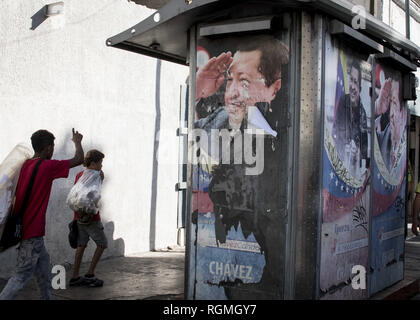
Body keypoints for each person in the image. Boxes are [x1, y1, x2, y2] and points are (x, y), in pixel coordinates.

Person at [194, 35, 289, 298]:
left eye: (245, 81)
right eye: (230, 79)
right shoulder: (221, 123)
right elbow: (197, 148)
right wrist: (198, 94)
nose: (233, 91)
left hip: (263, 276)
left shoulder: (279, 142)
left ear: (274, 88)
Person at [0, 129, 84, 300]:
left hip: (27, 230)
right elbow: (79, 160)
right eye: (52, 147)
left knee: (44, 270)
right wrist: (77, 142)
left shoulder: (26, 165)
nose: (53, 151)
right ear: (47, 148)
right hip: (31, 232)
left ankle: (46, 297)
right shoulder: (47, 167)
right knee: (21, 276)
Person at [69, 149, 106, 287]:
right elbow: (93, 195)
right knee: (102, 243)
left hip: (78, 216)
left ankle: (75, 276)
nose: (102, 166)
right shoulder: (96, 175)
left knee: (81, 245)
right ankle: (90, 274)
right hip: (92, 217)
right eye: (100, 162)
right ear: (94, 163)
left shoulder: (79, 174)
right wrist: (101, 178)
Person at [332, 61, 368, 175]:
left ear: (360, 88)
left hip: (352, 172)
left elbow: (364, 154)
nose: (352, 86)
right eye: (351, 80)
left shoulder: (363, 114)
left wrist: (356, 152)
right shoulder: (343, 102)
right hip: (339, 166)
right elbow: (334, 134)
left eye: (355, 82)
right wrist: (344, 146)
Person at [375, 78, 406, 172]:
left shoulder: (404, 146)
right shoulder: (383, 137)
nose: (391, 114)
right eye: (391, 103)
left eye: (395, 103)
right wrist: (376, 109)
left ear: (402, 114)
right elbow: (366, 139)